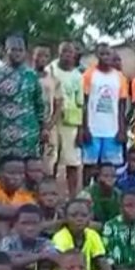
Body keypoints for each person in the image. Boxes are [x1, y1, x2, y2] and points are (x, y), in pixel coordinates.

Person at [0, 34, 45, 176]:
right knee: (2, 175)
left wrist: (43, 128)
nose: (17, 53)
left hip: (29, 136)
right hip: (4, 136)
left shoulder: (32, 75)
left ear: (25, 52)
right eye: (13, 49)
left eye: (20, 50)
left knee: (28, 175)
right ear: (5, 51)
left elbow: (39, 104)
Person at [81, 43, 128, 185]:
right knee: (89, 166)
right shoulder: (89, 75)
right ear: (97, 55)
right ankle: (86, 193)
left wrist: (122, 129)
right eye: (102, 54)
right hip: (93, 129)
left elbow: (121, 105)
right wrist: (85, 128)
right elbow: (84, 103)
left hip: (112, 131)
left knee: (110, 168)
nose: (106, 57)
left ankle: (107, 193)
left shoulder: (120, 77)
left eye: (108, 54)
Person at [0, 204, 59, 270]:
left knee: (46, 267)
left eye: (34, 224)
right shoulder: (8, 241)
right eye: (24, 223)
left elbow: (55, 257)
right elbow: (7, 262)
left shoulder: (45, 242)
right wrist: (38, 256)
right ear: (15, 225)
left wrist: (21, 256)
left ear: (41, 225)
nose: (30, 228)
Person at [48, 41, 84, 197]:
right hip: (52, 122)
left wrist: (82, 128)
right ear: (59, 53)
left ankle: (72, 197)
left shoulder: (77, 75)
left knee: (72, 162)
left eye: (71, 53)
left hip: (71, 123)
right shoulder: (50, 70)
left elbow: (81, 103)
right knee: (51, 161)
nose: (68, 55)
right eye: (64, 52)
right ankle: (49, 195)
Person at [52, 199, 114, 270]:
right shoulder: (60, 237)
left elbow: (102, 261)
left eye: (84, 215)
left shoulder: (92, 234)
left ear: (90, 217)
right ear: (65, 218)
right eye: (73, 215)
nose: (79, 219)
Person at [33, 45, 63, 175]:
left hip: (49, 126)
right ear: (32, 56)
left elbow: (59, 104)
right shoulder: (27, 77)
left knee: (51, 159)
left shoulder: (54, 80)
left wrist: (49, 125)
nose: (42, 59)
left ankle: (49, 185)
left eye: (46, 56)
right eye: (39, 55)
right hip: (30, 125)